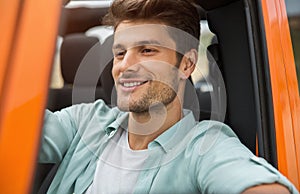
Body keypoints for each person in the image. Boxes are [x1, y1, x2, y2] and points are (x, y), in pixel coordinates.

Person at [40, 0, 298, 193]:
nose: (125, 66)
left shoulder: (203, 146)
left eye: (147, 50)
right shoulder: (84, 121)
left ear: (186, 64)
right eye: (120, 53)